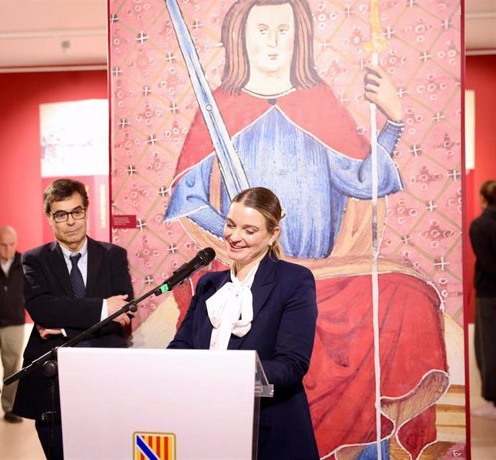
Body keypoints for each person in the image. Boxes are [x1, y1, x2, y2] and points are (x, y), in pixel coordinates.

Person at [164, 0, 448, 457]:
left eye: (284, 30)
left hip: (321, 269)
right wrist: (237, 235)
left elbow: (362, 180)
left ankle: (370, 445)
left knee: (409, 295)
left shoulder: (319, 103)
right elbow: (190, 197)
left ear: (300, 38)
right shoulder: (219, 108)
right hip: (248, 277)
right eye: (262, 30)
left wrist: (393, 119)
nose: (273, 42)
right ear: (240, 38)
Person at [168, 187, 318, 459]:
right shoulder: (208, 284)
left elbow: (291, 366)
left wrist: (226, 376)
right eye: (230, 225)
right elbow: (182, 345)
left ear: (273, 235)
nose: (234, 237)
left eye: (249, 230)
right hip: (208, 426)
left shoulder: (294, 281)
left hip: (268, 432)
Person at [12, 178, 134, 460]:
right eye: (61, 214)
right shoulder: (34, 260)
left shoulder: (113, 255)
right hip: (52, 381)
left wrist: (64, 325)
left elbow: (123, 310)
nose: (71, 221)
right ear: (50, 217)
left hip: (104, 374)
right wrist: (103, 307)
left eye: (77, 211)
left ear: (86, 210)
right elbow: (41, 309)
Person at [0, 225, 26, 423]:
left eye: (11, 244)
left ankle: (10, 407)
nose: (7, 249)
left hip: (15, 324)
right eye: (3, 245)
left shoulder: (24, 262)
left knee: (13, 367)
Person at [469, 180, 496, 419]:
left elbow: (487, 264)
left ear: (483, 199)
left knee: (487, 346)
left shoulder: (479, 226)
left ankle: (492, 400)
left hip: (489, 293)